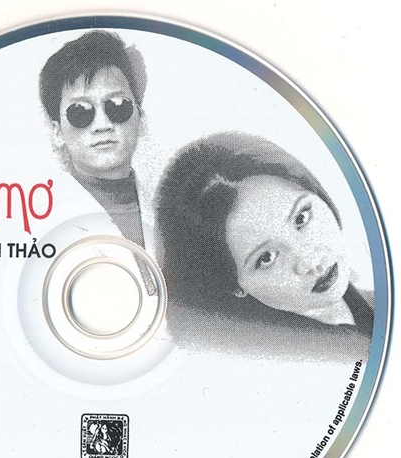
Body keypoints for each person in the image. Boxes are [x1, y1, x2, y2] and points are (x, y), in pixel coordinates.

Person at [155, 132, 373, 356]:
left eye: (301, 218)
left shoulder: (373, 304)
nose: (308, 261)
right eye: (266, 257)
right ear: (235, 287)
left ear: (317, 193)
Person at [39, 30, 148, 250]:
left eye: (117, 105)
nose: (102, 124)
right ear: (57, 131)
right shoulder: (41, 220)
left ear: (141, 119)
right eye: (80, 111)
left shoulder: (176, 209)